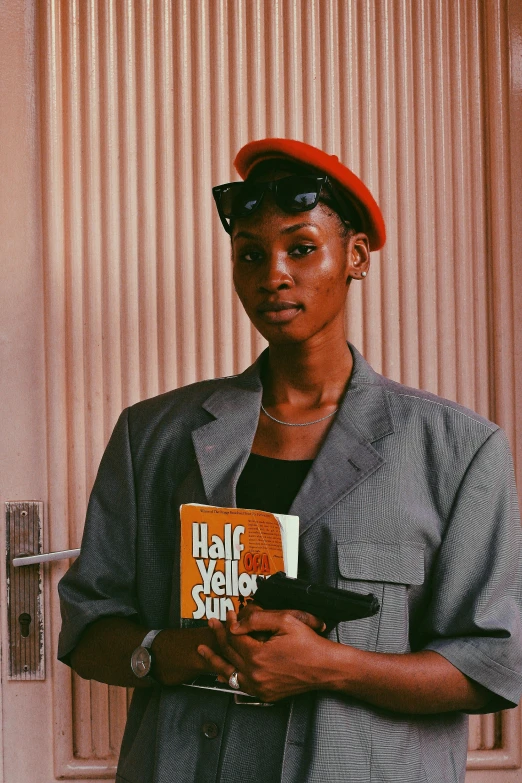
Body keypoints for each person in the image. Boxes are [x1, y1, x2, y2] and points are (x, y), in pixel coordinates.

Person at [58, 138, 522, 783]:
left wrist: (328, 664)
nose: (272, 273)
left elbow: (495, 665)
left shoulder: (459, 449)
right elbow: (88, 630)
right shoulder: (153, 435)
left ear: (356, 257)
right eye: (250, 253)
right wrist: (192, 649)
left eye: (301, 248)